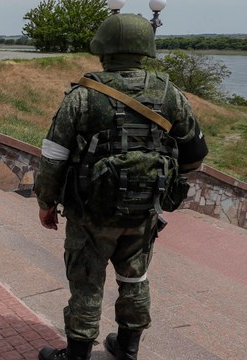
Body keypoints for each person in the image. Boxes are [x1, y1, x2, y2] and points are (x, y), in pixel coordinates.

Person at [35, 14, 208, 360]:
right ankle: (128, 348)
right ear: (145, 49)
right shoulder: (168, 93)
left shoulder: (83, 96)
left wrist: (46, 201)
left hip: (90, 213)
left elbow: (54, 156)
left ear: (103, 49)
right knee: (135, 278)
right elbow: (195, 155)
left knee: (87, 281)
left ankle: (77, 354)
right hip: (144, 212)